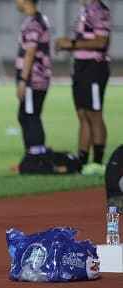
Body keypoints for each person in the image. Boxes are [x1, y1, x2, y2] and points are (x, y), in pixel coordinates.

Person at [54, 0, 111, 175]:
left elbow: (101, 42)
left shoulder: (99, 10)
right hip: (81, 67)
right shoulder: (84, 10)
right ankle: (83, 160)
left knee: (95, 113)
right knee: (83, 114)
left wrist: (69, 44)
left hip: (94, 67)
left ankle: (98, 162)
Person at [15, 0, 51, 156]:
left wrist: (23, 80)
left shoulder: (34, 23)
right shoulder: (38, 19)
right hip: (37, 77)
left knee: (30, 116)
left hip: (33, 78)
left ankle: (36, 156)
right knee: (25, 116)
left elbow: (31, 51)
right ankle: (33, 155)